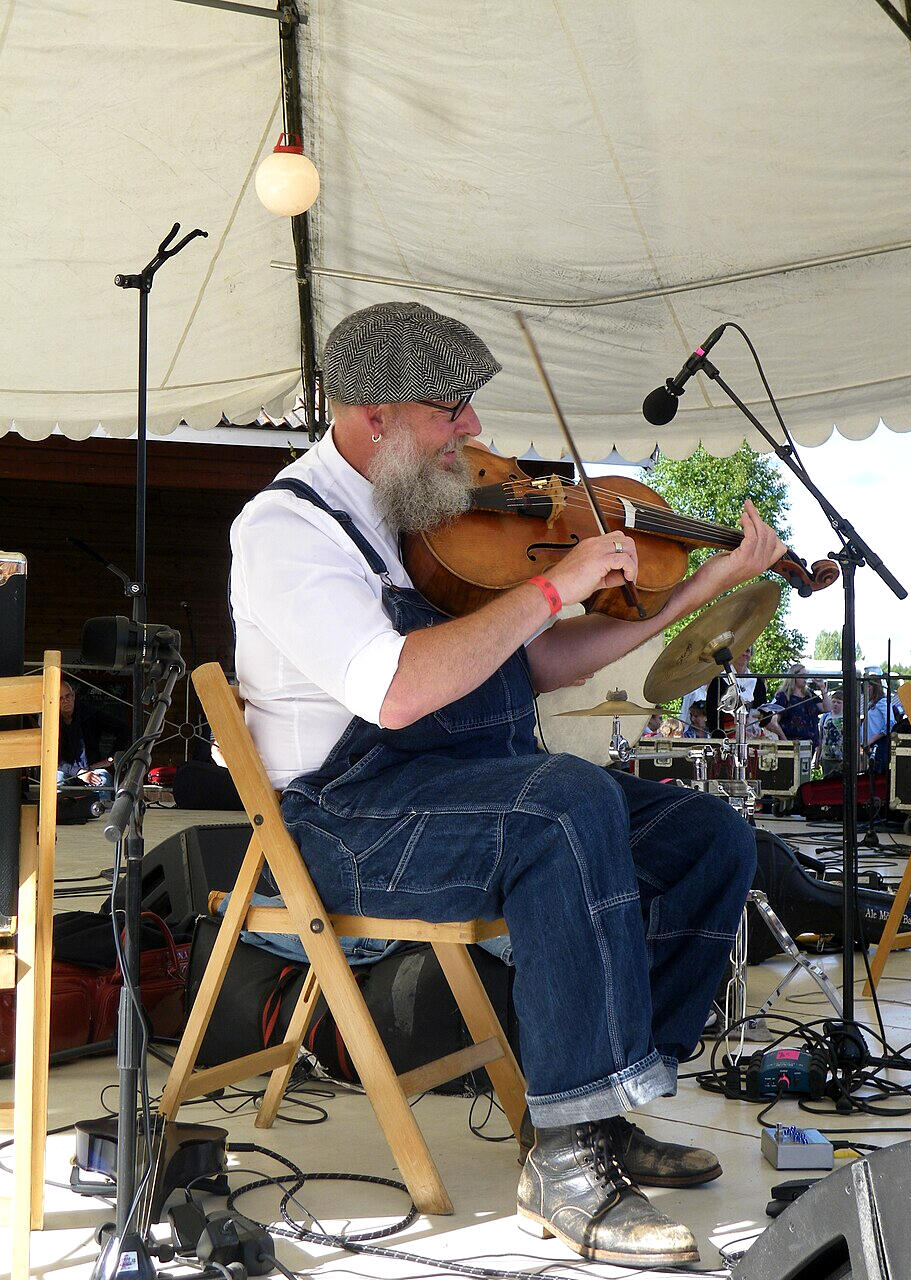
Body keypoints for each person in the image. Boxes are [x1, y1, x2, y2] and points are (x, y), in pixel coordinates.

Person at [229, 301, 786, 1268]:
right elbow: (396, 690)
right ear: (373, 421)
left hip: (463, 791)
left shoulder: (425, 523)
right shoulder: (286, 530)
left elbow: (537, 665)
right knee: (565, 802)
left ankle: (604, 1116)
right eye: (451, 410)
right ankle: (565, 1163)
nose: (476, 432)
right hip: (343, 822)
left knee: (709, 835)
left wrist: (699, 589)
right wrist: (552, 585)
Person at [56, 677, 127, 790]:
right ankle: (58, 807)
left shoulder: (89, 714)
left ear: (73, 695)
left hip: (92, 768)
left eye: (68, 696)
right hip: (65, 770)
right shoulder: (49, 721)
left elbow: (123, 729)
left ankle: (103, 807)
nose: (65, 701)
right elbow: (52, 759)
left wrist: (111, 758)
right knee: (56, 780)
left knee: (103, 780)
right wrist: (79, 772)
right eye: (60, 698)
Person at [704, 643, 767, 734]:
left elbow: (763, 709)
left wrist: (764, 715)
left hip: (752, 734)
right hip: (726, 733)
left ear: (751, 655)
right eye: (741, 650)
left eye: (747, 651)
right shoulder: (719, 680)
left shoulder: (757, 682)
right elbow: (711, 712)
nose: (744, 654)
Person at [773, 664, 824, 747]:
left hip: (811, 743)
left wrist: (822, 688)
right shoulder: (783, 696)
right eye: (803, 675)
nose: (806, 678)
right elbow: (774, 722)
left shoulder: (809, 694)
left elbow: (827, 708)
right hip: (793, 743)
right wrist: (785, 741)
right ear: (794, 676)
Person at [815, 687, 844, 779]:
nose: (835, 704)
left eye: (839, 702)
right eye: (834, 701)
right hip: (827, 758)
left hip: (841, 759)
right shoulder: (825, 717)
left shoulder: (847, 718)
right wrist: (817, 758)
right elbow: (820, 738)